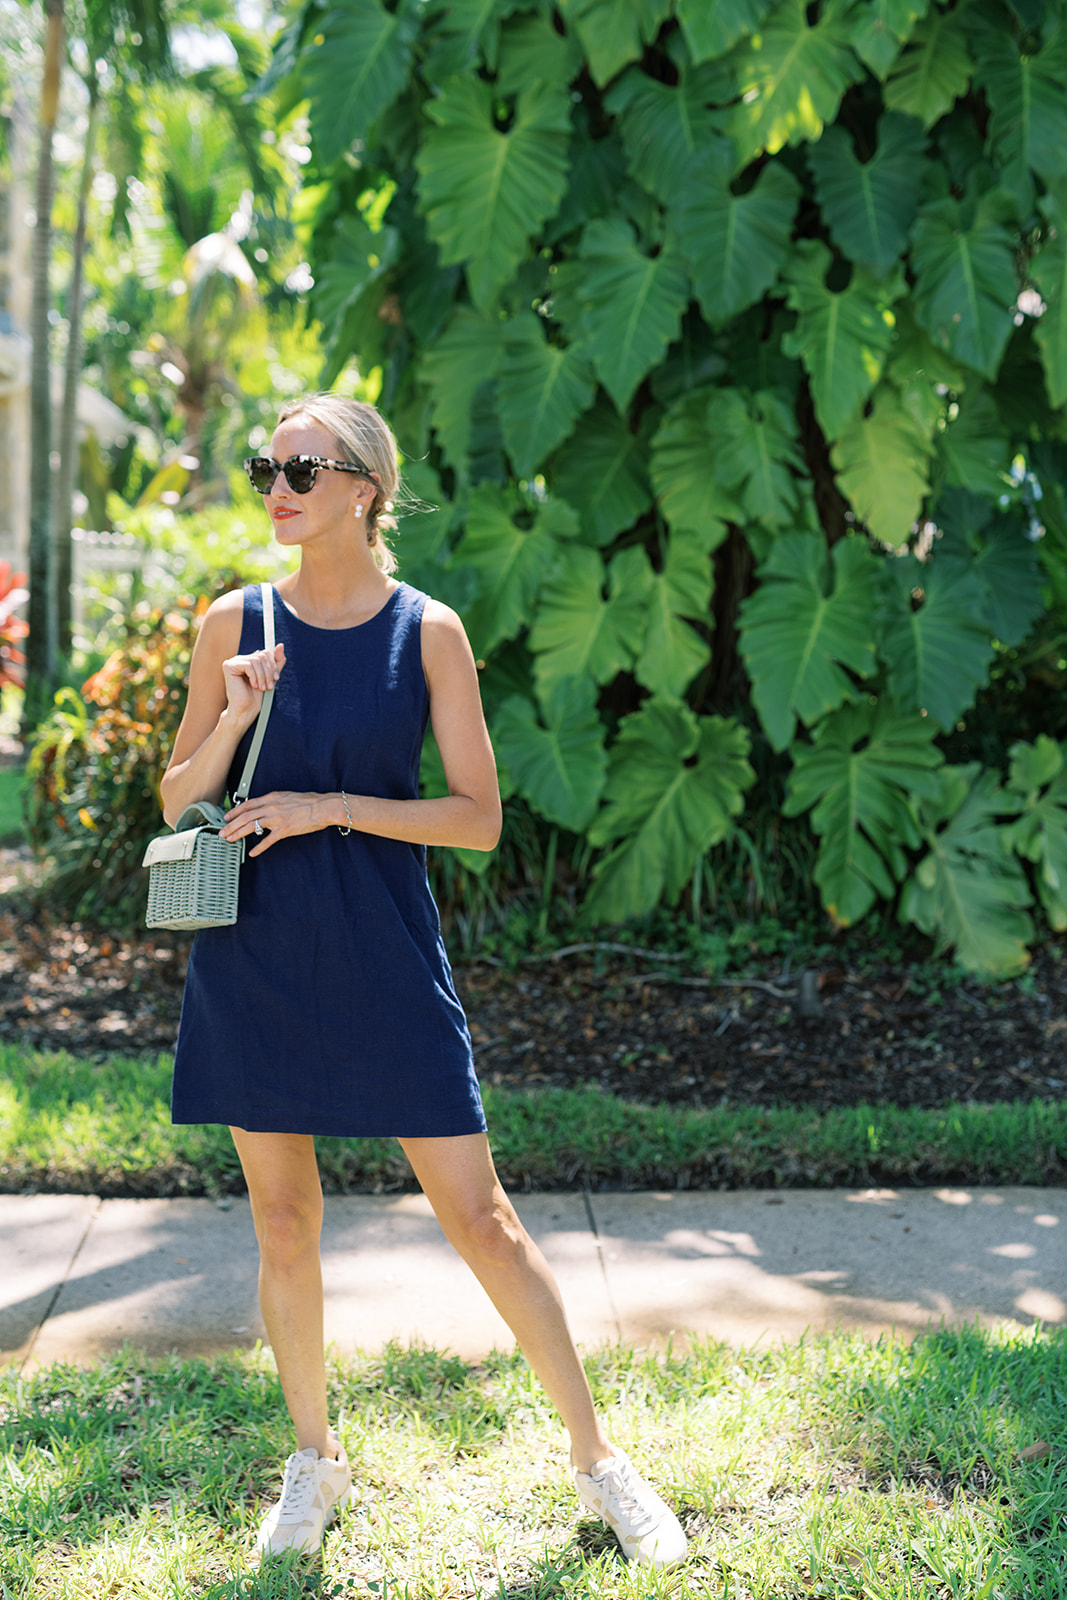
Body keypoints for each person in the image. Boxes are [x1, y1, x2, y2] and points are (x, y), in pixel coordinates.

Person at [159, 392, 687, 1570]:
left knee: (483, 1220)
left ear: (365, 488)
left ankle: (598, 1459)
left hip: (385, 955)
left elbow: (479, 819)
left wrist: (328, 806)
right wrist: (240, 719)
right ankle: (314, 1461)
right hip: (254, 956)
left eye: (305, 465)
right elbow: (176, 802)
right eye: (267, 465)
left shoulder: (426, 632)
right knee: (283, 1221)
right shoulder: (230, 624)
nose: (279, 484)